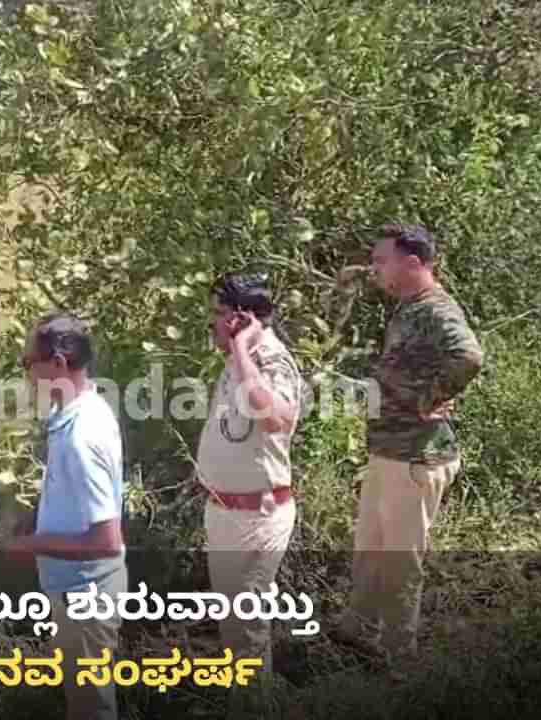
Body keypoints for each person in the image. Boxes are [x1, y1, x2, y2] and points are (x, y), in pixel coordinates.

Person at [332, 223, 485, 664]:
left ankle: (400, 660)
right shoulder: (408, 308)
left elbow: (470, 356)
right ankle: (355, 632)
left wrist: (430, 397)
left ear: (413, 263)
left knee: (400, 563)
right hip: (390, 452)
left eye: (382, 260)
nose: (375, 269)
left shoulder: (437, 310)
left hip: (417, 456)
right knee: (370, 550)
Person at [4, 312, 127, 720]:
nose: (26, 373)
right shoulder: (77, 412)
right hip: (77, 590)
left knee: (91, 707)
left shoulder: (81, 436)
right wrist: (39, 518)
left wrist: (33, 544)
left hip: (86, 592)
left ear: (56, 364)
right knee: (83, 702)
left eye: (28, 363)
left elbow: (106, 540)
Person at [195, 272, 305, 687]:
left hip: (258, 515)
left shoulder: (271, 361)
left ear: (241, 320)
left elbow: (275, 417)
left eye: (219, 315)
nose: (211, 323)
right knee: (234, 629)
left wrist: (241, 347)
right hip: (225, 512)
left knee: (246, 629)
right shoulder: (239, 360)